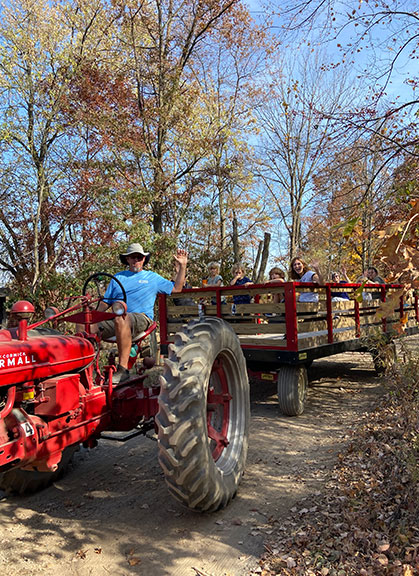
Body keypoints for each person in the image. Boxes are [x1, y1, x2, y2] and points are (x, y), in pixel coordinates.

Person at [96, 243, 188, 383]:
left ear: (144, 259)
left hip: (141, 318)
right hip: (118, 318)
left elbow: (177, 288)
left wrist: (182, 266)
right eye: (133, 257)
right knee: (86, 325)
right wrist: (91, 316)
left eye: (139, 257)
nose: (136, 260)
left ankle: (122, 370)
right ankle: (85, 370)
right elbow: (106, 302)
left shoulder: (152, 278)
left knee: (122, 319)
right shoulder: (118, 278)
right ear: (127, 259)